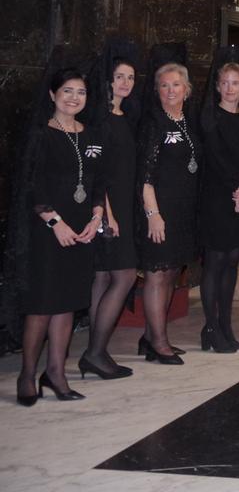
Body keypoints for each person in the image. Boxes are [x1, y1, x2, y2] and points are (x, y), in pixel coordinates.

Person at [14, 63, 104, 405]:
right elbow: (31, 185)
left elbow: (98, 181)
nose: (74, 98)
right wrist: (55, 222)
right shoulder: (40, 134)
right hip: (47, 231)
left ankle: (55, 373)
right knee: (42, 304)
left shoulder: (90, 134)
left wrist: (96, 216)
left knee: (66, 304)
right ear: (53, 94)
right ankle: (27, 374)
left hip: (82, 231)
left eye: (81, 92)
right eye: (67, 91)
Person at [80, 39, 140, 379]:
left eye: (130, 77)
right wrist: (107, 214)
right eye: (120, 77)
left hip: (123, 207)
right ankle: (95, 352)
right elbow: (96, 172)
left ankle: (96, 350)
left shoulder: (123, 116)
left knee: (103, 277)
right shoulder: (101, 119)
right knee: (125, 275)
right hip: (108, 209)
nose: (125, 83)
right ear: (108, 80)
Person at [137, 51, 201, 364]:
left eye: (176, 85)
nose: (171, 90)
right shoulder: (153, 123)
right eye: (164, 85)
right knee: (156, 274)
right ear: (157, 90)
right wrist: (153, 215)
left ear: (186, 90)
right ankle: (159, 342)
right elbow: (145, 175)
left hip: (183, 211)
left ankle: (151, 336)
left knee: (172, 272)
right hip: (159, 211)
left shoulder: (189, 120)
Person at [197, 48, 239, 353]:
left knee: (233, 261)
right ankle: (210, 327)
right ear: (218, 86)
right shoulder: (210, 117)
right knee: (215, 262)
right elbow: (216, 158)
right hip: (217, 198)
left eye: (236, 83)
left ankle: (225, 325)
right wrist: (238, 190)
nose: (230, 88)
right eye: (225, 83)